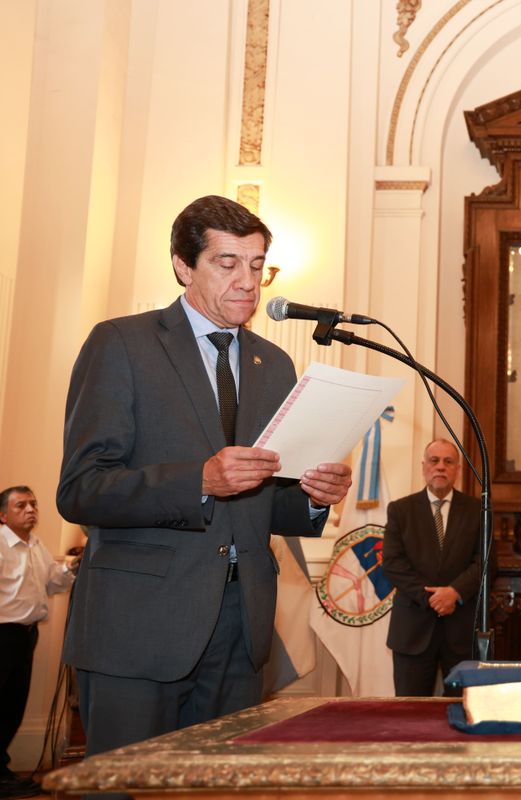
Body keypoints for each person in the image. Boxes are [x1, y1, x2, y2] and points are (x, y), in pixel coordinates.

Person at [57, 195, 352, 757]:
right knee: (126, 789)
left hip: (240, 629)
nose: (248, 281)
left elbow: (264, 499)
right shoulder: (121, 344)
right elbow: (81, 489)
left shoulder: (274, 364)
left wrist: (315, 497)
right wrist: (198, 481)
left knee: (217, 788)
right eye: (227, 263)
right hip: (139, 626)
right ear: (183, 266)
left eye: (258, 265)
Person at [382, 439, 483, 696]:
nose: (440, 467)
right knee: (410, 710)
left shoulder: (478, 511)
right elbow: (393, 563)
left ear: (458, 469)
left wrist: (455, 592)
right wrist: (433, 598)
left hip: (461, 629)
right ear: (424, 466)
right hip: (412, 628)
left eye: (448, 462)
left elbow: (486, 562)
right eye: (434, 461)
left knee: (463, 706)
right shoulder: (400, 510)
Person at [0, 486, 74, 797]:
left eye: (33, 504)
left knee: (12, 707)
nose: (30, 510)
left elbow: (53, 583)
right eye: (20, 505)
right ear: (3, 515)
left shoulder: (36, 545)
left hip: (26, 636)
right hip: (3, 635)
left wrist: (69, 568)